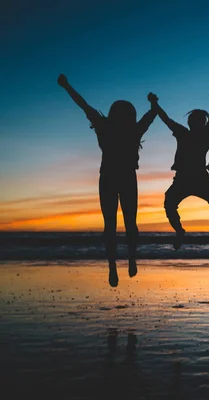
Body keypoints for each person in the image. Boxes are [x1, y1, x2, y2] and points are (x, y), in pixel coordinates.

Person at [57, 74, 158, 287]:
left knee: (114, 224)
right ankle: (124, 262)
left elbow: (83, 105)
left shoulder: (107, 126)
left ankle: (118, 264)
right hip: (123, 178)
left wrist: (67, 86)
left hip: (111, 178)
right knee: (125, 223)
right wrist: (153, 102)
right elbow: (152, 114)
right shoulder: (130, 129)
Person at [155, 86, 209, 249]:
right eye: (194, 121)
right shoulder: (182, 133)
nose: (196, 123)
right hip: (182, 179)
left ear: (202, 123)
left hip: (200, 178)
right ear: (190, 122)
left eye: (200, 121)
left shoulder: (206, 134)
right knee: (169, 203)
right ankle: (180, 231)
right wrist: (155, 104)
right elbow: (165, 119)